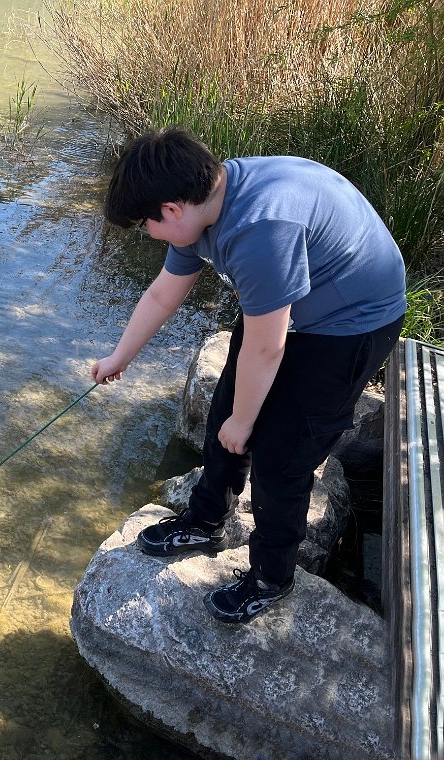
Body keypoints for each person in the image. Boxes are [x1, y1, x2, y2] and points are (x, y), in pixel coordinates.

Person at [93, 127, 406, 624]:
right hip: (291, 306)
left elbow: (266, 347)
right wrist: (120, 356)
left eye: (146, 224)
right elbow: (162, 294)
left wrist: (244, 422)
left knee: (283, 455)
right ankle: (204, 521)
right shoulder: (201, 205)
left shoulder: (260, 229)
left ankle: (270, 577)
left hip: (351, 324)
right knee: (225, 415)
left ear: (171, 209)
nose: (149, 234)